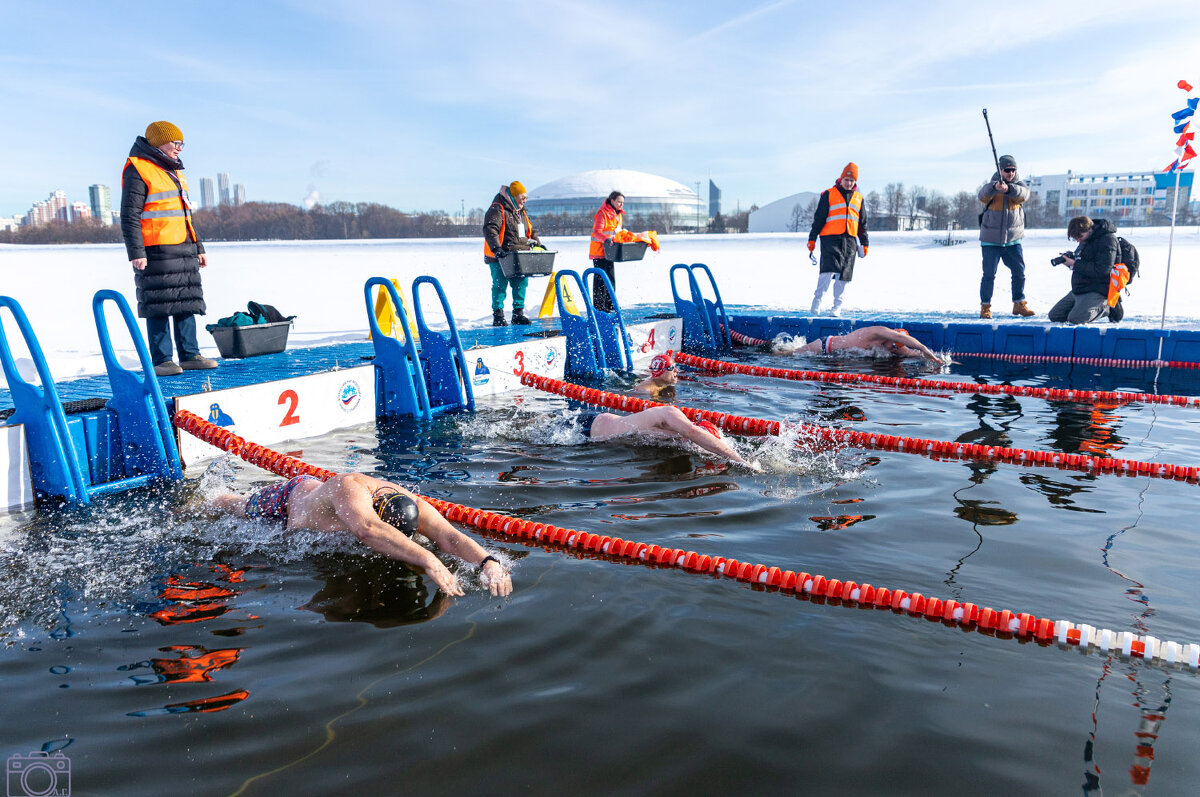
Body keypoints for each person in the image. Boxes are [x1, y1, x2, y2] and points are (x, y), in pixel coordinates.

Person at [211, 472, 513, 597]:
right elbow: (368, 530)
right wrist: (430, 561)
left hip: (316, 517)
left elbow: (449, 536)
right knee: (233, 507)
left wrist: (488, 562)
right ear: (375, 508)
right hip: (287, 502)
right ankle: (204, 499)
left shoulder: (411, 503)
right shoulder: (352, 489)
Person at [121, 121, 218, 377]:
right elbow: (129, 215)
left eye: (181, 144)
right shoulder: (139, 168)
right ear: (159, 142)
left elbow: (186, 215)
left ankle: (190, 355)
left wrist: (198, 247)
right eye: (175, 143)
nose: (179, 149)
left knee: (187, 301)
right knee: (159, 304)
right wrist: (137, 252)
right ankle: (162, 359)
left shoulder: (175, 172)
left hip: (184, 247)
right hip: (156, 249)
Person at [571, 404, 756, 468]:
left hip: (592, 436)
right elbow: (693, 432)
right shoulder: (671, 414)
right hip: (584, 426)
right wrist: (741, 462)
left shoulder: (671, 437)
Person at [977, 155, 1035, 319]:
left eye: (1013, 170)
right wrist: (995, 187)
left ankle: (1019, 304)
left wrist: (1008, 189)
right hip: (990, 240)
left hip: (1013, 240)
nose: (1010, 173)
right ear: (1000, 170)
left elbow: (1024, 195)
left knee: (1019, 272)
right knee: (988, 275)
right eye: (1007, 170)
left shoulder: (1019, 185)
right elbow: (982, 196)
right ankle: (985, 306)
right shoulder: (991, 186)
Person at [808, 163, 869, 316]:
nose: (849, 183)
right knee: (827, 271)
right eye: (846, 179)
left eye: (852, 180)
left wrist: (864, 243)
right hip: (830, 238)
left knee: (844, 274)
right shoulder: (829, 194)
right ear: (841, 179)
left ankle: (837, 306)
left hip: (850, 241)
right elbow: (819, 219)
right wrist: (812, 238)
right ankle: (817, 301)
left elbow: (862, 224)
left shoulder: (859, 198)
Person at [483, 181, 542, 327]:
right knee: (499, 284)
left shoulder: (521, 212)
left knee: (521, 283)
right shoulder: (498, 208)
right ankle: (498, 315)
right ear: (513, 196)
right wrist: (496, 248)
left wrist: (538, 244)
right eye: (522, 197)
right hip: (501, 255)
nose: (524, 200)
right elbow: (490, 229)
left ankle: (518, 314)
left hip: (520, 255)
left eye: (526, 198)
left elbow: (530, 231)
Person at [1048, 216, 1120, 325]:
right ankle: (1085, 307)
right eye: (1075, 238)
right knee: (1055, 315)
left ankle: (1107, 307)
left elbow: (1102, 270)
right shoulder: (1086, 240)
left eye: (1079, 236)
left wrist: (1075, 264)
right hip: (1080, 288)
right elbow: (1084, 261)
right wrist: (1070, 261)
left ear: (1089, 229)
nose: (1078, 240)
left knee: (1075, 319)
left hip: (1098, 289)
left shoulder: (1108, 240)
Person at [788, 325, 944, 367]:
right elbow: (903, 340)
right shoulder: (879, 332)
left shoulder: (891, 347)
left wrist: (938, 359)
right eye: (894, 346)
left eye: (897, 348)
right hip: (825, 346)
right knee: (789, 355)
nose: (893, 349)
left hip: (834, 360)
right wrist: (923, 348)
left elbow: (911, 353)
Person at [589, 191, 625, 312]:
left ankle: (610, 304)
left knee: (610, 278)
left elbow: (617, 232)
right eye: (619, 202)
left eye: (622, 202)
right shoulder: (602, 213)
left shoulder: (618, 215)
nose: (621, 205)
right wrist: (606, 239)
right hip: (599, 251)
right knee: (600, 280)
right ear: (612, 200)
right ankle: (599, 306)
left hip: (611, 251)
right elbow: (597, 232)